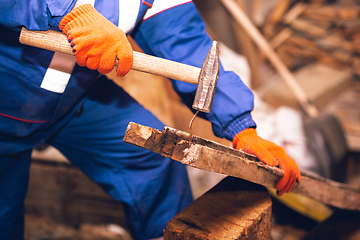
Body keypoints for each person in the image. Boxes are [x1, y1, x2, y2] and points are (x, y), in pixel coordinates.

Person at [0, 0, 301, 239]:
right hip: (6, 94)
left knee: (154, 157)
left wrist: (242, 128)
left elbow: (185, 44)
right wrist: (68, 11)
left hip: (72, 97)